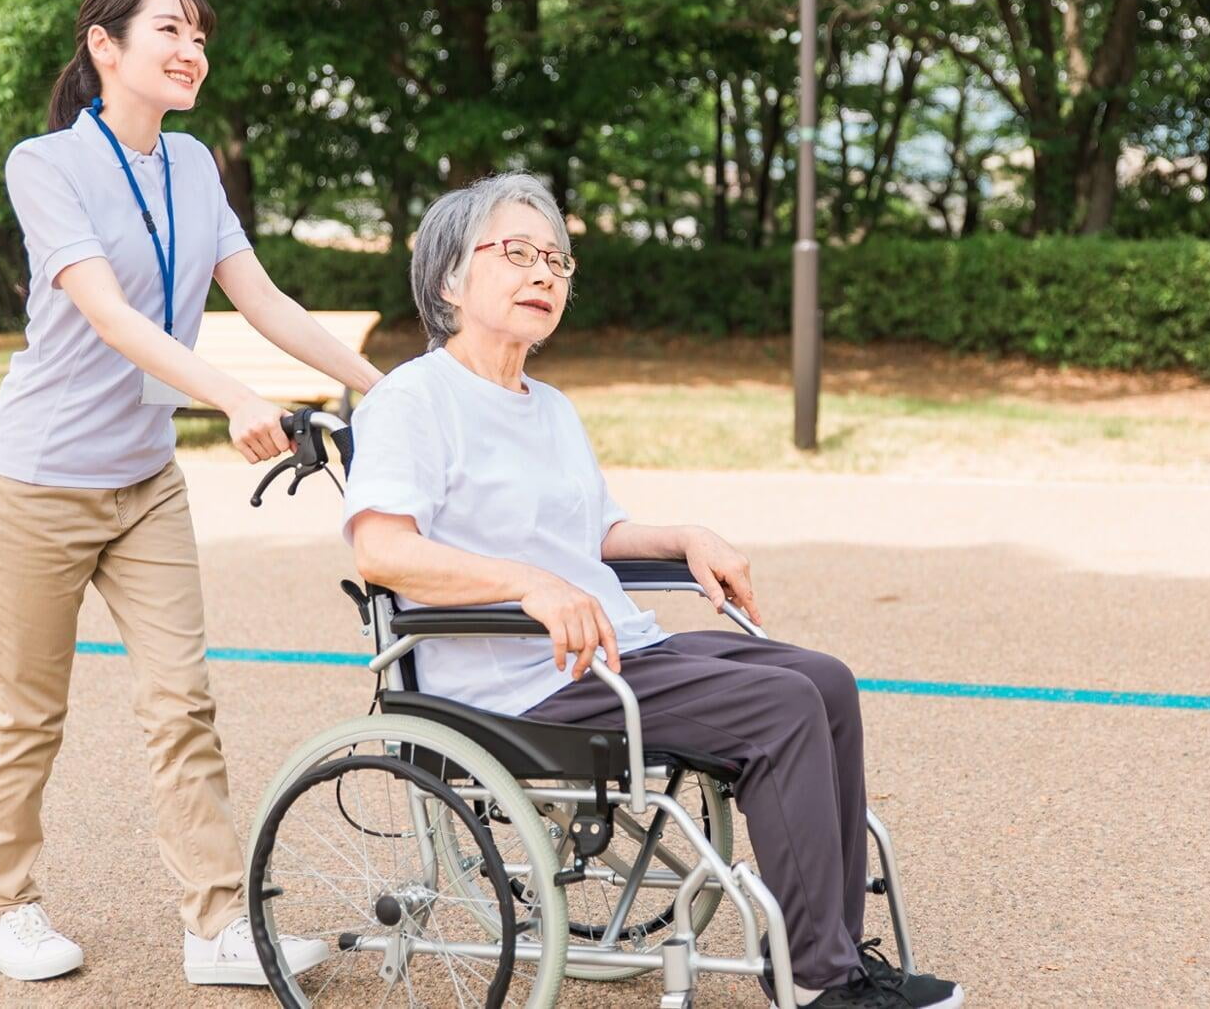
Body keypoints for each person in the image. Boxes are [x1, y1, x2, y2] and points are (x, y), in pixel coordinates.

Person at [342, 172, 964, 1009]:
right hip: (516, 681)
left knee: (824, 680)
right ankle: (820, 982)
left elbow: (594, 536)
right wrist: (528, 583)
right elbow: (382, 549)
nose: (544, 275)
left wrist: (682, 537)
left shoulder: (549, 406)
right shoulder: (412, 399)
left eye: (558, 261)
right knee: (777, 709)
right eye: (518, 254)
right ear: (451, 278)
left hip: (609, 650)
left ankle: (835, 952)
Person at [0, 0, 378, 985]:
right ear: (105, 46)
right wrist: (234, 398)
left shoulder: (193, 164)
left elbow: (264, 296)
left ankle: (216, 924)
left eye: (201, 34)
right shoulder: (45, 164)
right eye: (169, 29)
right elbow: (110, 314)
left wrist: (388, 384)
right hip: (38, 481)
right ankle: (3, 906)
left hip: (143, 481)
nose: (192, 47)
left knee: (181, 701)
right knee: (29, 712)